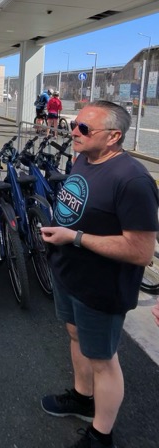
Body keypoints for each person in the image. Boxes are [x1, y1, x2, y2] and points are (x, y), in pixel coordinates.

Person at [40, 100, 158, 448]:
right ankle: (82, 397)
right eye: (73, 124)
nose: (73, 132)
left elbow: (140, 251)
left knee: (103, 360)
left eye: (84, 128)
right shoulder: (83, 159)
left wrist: (74, 237)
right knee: (76, 336)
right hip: (69, 274)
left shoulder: (133, 180)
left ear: (113, 136)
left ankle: (101, 435)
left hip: (102, 286)